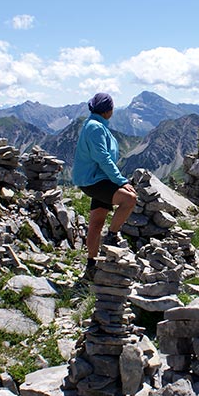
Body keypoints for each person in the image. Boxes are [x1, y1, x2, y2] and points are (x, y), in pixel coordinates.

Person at [72, 92, 137, 281]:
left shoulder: (94, 124)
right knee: (129, 199)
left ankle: (91, 266)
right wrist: (121, 181)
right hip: (96, 180)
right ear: (108, 110)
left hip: (96, 179)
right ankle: (112, 235)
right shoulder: (96, 128)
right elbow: (103, 158)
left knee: (97, 221)